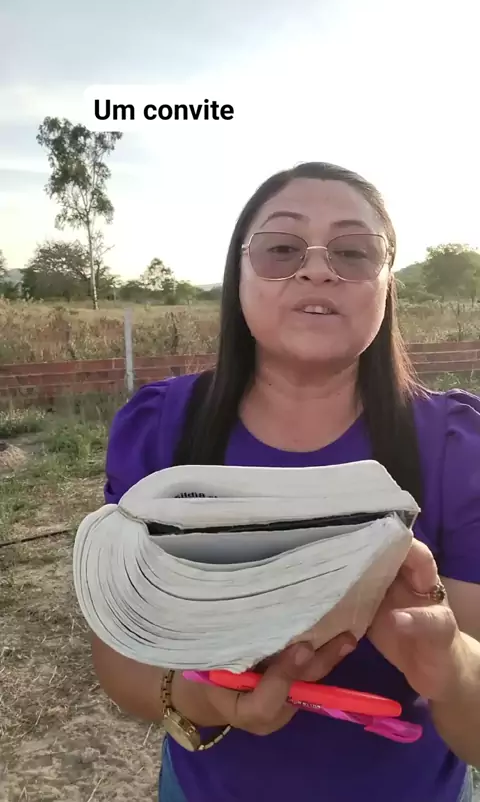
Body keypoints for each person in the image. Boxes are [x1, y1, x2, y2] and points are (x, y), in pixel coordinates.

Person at [91, 162, 480, 802]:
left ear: (388, 283)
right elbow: (121, 661)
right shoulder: (162, 428)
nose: (317, 270)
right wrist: (210, 701)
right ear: (237, 275)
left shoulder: (457, 448)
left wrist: (450, 664)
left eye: (353, 252)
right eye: (281, 248)